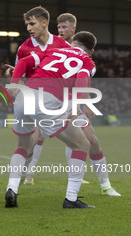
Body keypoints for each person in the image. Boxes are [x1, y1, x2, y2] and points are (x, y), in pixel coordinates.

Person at [22, 13, 121, 196]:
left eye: (64, 28)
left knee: (91, 141)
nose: (60, 31)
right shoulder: (55, 46)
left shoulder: (77, 49)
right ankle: (22, 177)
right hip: (50, 101)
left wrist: (86, 104)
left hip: (69, 102)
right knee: (34, 140)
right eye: (59, 27)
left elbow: (84, 78)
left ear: (73, 30)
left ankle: (106, 186)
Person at [5, 31, 98, 209]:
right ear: (91, 51)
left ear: (73, 43)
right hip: (46, 100)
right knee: (82, 144)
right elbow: (82, 79)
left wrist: (15, 83)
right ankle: (71, 199)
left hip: (23, 97)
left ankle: (12, 189)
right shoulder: (87, 61)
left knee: (23, 147)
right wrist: (80, 104)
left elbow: (23, 61)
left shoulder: (54, 51)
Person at [5, 6, 70, 186]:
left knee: (77, 140)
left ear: (44, 23)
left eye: (32, 23)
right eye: (26, 24)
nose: (28, 28)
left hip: (53, 98)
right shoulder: (23, 49)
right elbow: (20, 72)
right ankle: (25, 173)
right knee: (30, 142)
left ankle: (27, 176)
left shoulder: (62, 45)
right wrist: (16, 84)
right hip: (30, 97)